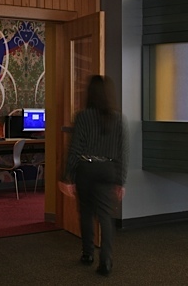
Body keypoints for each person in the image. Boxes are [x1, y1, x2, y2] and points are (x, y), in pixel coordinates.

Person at [59, 75, 128, 276]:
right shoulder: (118, 119)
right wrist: (121, 181)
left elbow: (75, 148)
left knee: (86, 213)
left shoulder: (83, 117)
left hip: (86, 169)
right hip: (108, 170)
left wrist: (67, 176)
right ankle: (106, 261)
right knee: (106, 217)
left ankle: (88, 253)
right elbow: (123, 152)